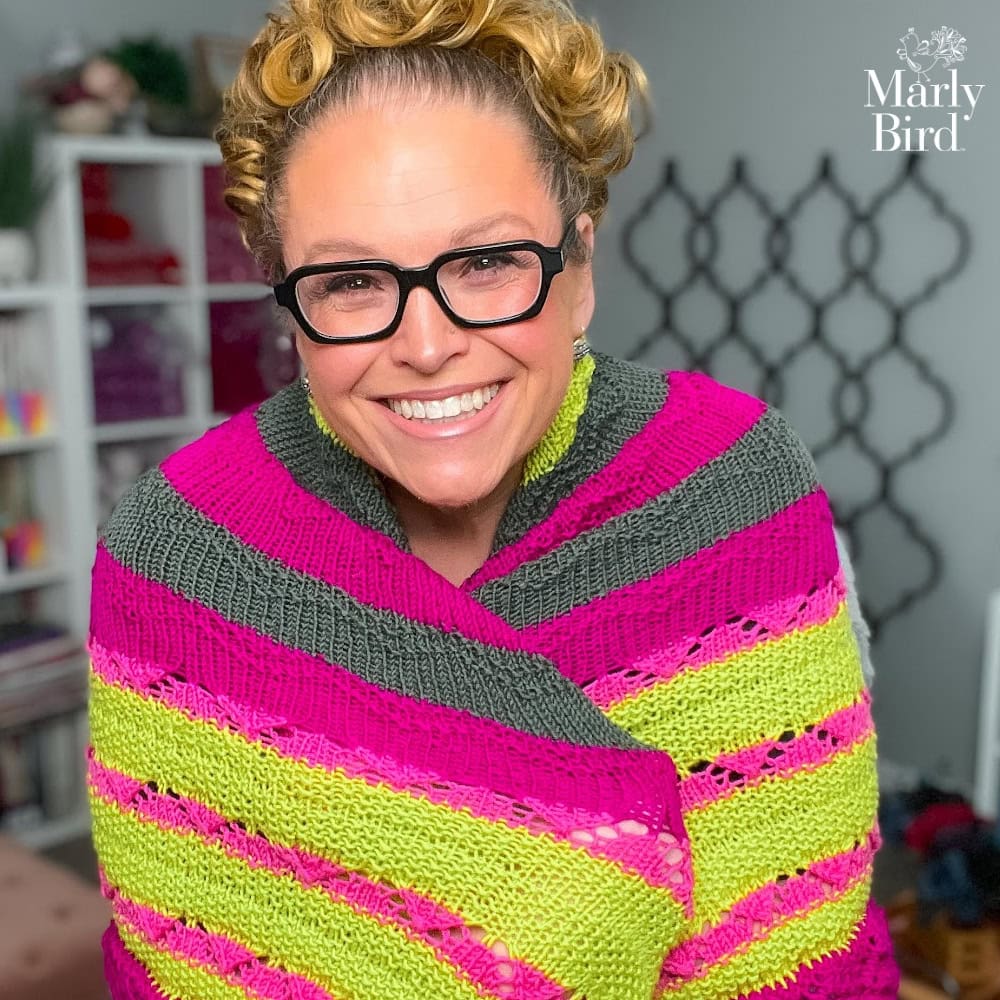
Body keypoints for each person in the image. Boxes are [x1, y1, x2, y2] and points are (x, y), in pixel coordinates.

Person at [85, 1, 900, 997]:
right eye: (349, 281)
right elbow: (179, 945)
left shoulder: (732, 487)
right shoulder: (180, 549)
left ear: (580, 270)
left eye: (483, 264)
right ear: (288, 304)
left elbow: (791, 937)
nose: (426, 345)